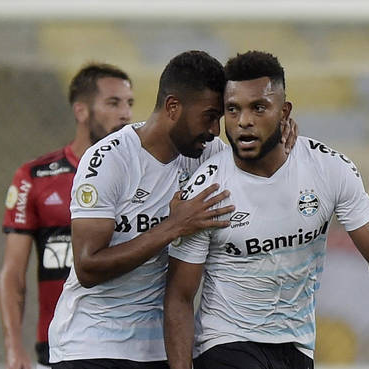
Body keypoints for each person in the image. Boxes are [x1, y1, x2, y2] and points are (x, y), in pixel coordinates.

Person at [164, 50, 369, 369]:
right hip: (226, 341)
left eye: (258, 107)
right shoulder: (206, 190)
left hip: (296, 346)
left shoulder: (329, 169)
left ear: (284, 112)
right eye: (232, 110)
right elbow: (179, 295)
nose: (244, 121)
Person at [47, 50, 296, 369]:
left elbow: (258, 166)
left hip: (159, 349)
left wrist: (279, 136)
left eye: (220, 117)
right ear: (173, 107)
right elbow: (87, 267)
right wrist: (173, 226)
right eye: (209, 116)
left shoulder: (206, 155)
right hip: (91, 345)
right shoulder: (108, 160)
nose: (214, 129)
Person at [0, 62, 134, 369]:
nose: (125, 114)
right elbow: (13, 272)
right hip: (59, 346)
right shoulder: (35, 177)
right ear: (81, 111)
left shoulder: (145, 176)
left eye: (129, 103)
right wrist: (12, 346)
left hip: (132, 345)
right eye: (113, 103)